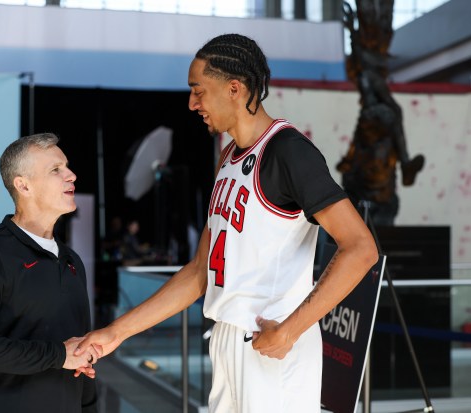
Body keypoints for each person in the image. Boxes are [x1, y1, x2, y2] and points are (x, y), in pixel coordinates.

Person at [75, 34, 378, 412]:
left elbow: (361, 247)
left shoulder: (288, 152)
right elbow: (200, 272)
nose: (192, 103)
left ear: (234, 88)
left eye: (198, 91)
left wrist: (291, 330)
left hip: (272, 344)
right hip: (226, 337)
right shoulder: (228, 159)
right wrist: (115, 333)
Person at [0, 133, 99, 413]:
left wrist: (89, 407)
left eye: (66, 166)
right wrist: (58, 355)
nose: (72, 175)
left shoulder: (72, 262)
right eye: (56, 170)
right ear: (23, 185)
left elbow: (79, 353)